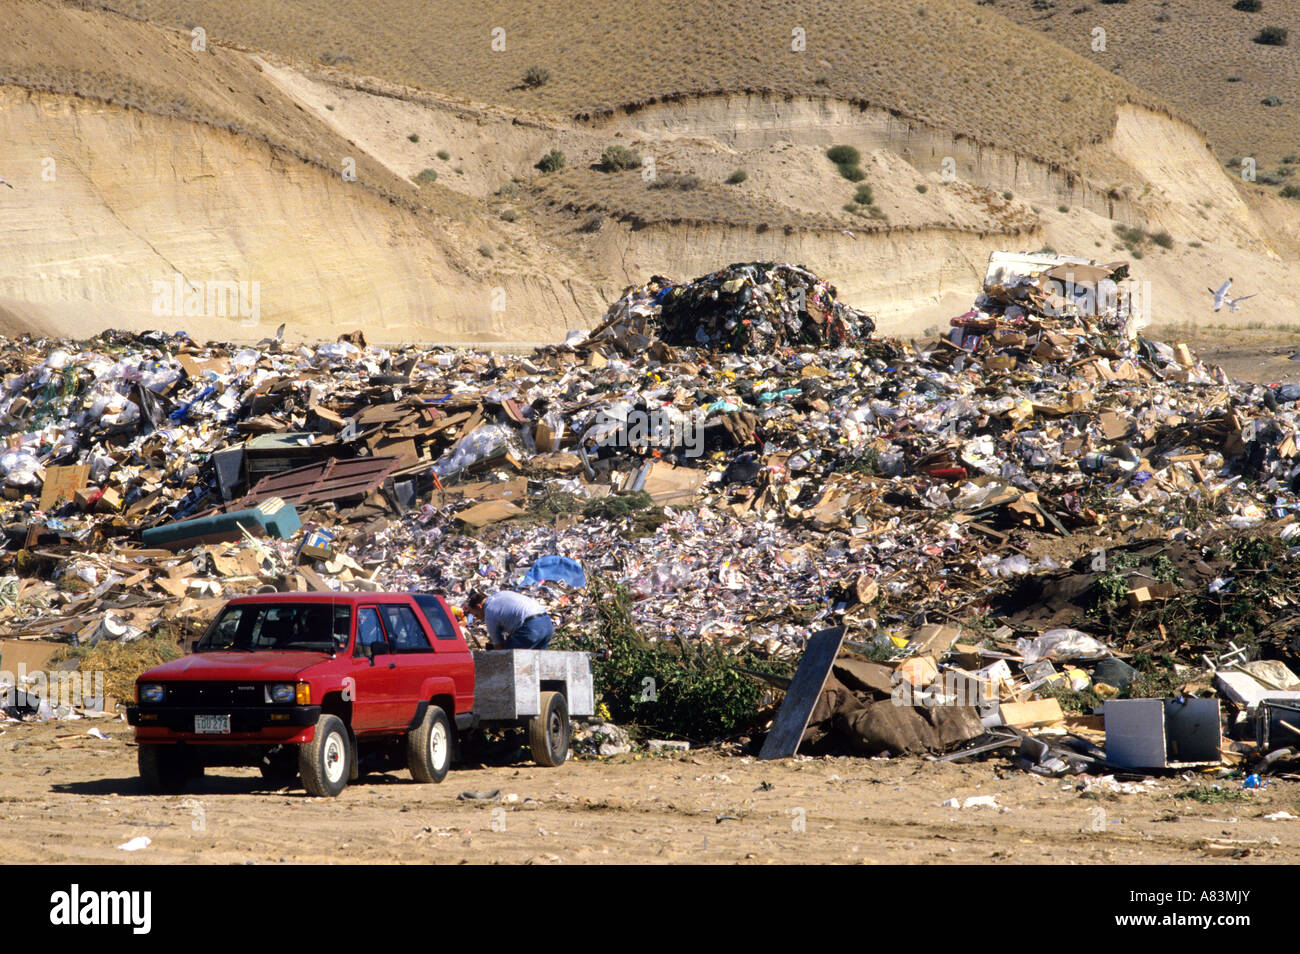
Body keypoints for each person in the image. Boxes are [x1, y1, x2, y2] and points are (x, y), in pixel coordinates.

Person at [465, 589, 553, 650]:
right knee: (537, 662)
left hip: (531, 627)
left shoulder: (489, 613)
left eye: (476, 614)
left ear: (479, 606)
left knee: (510, 659)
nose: (478, 618)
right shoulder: (502, 594)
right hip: (547, 623)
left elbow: (499, 646)